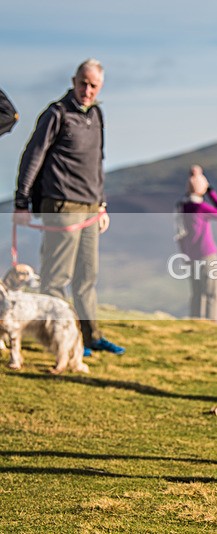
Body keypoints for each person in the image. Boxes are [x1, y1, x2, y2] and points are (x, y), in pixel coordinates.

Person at [13, 59, 125, 358]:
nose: (87, 90)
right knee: (57, 278)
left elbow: (98, 163)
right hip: (61, 204)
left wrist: (101, 204)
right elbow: (32, 156)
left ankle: (91, 338)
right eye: (82, 83)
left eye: (93, 86)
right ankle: (57, 341)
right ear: (74, 81)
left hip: (90, 207)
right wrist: (21, 202)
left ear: (100, 87)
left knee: (87, 276)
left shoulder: (96, 114)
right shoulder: (56, 113)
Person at [176, 165, 217, 322]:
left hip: (190, 255)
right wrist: (211, 192)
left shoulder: (183, 208)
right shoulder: (201, 208)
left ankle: (196, 321)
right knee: (212, 292)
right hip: (207, 254)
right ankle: (212, 323)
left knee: (197, 292)